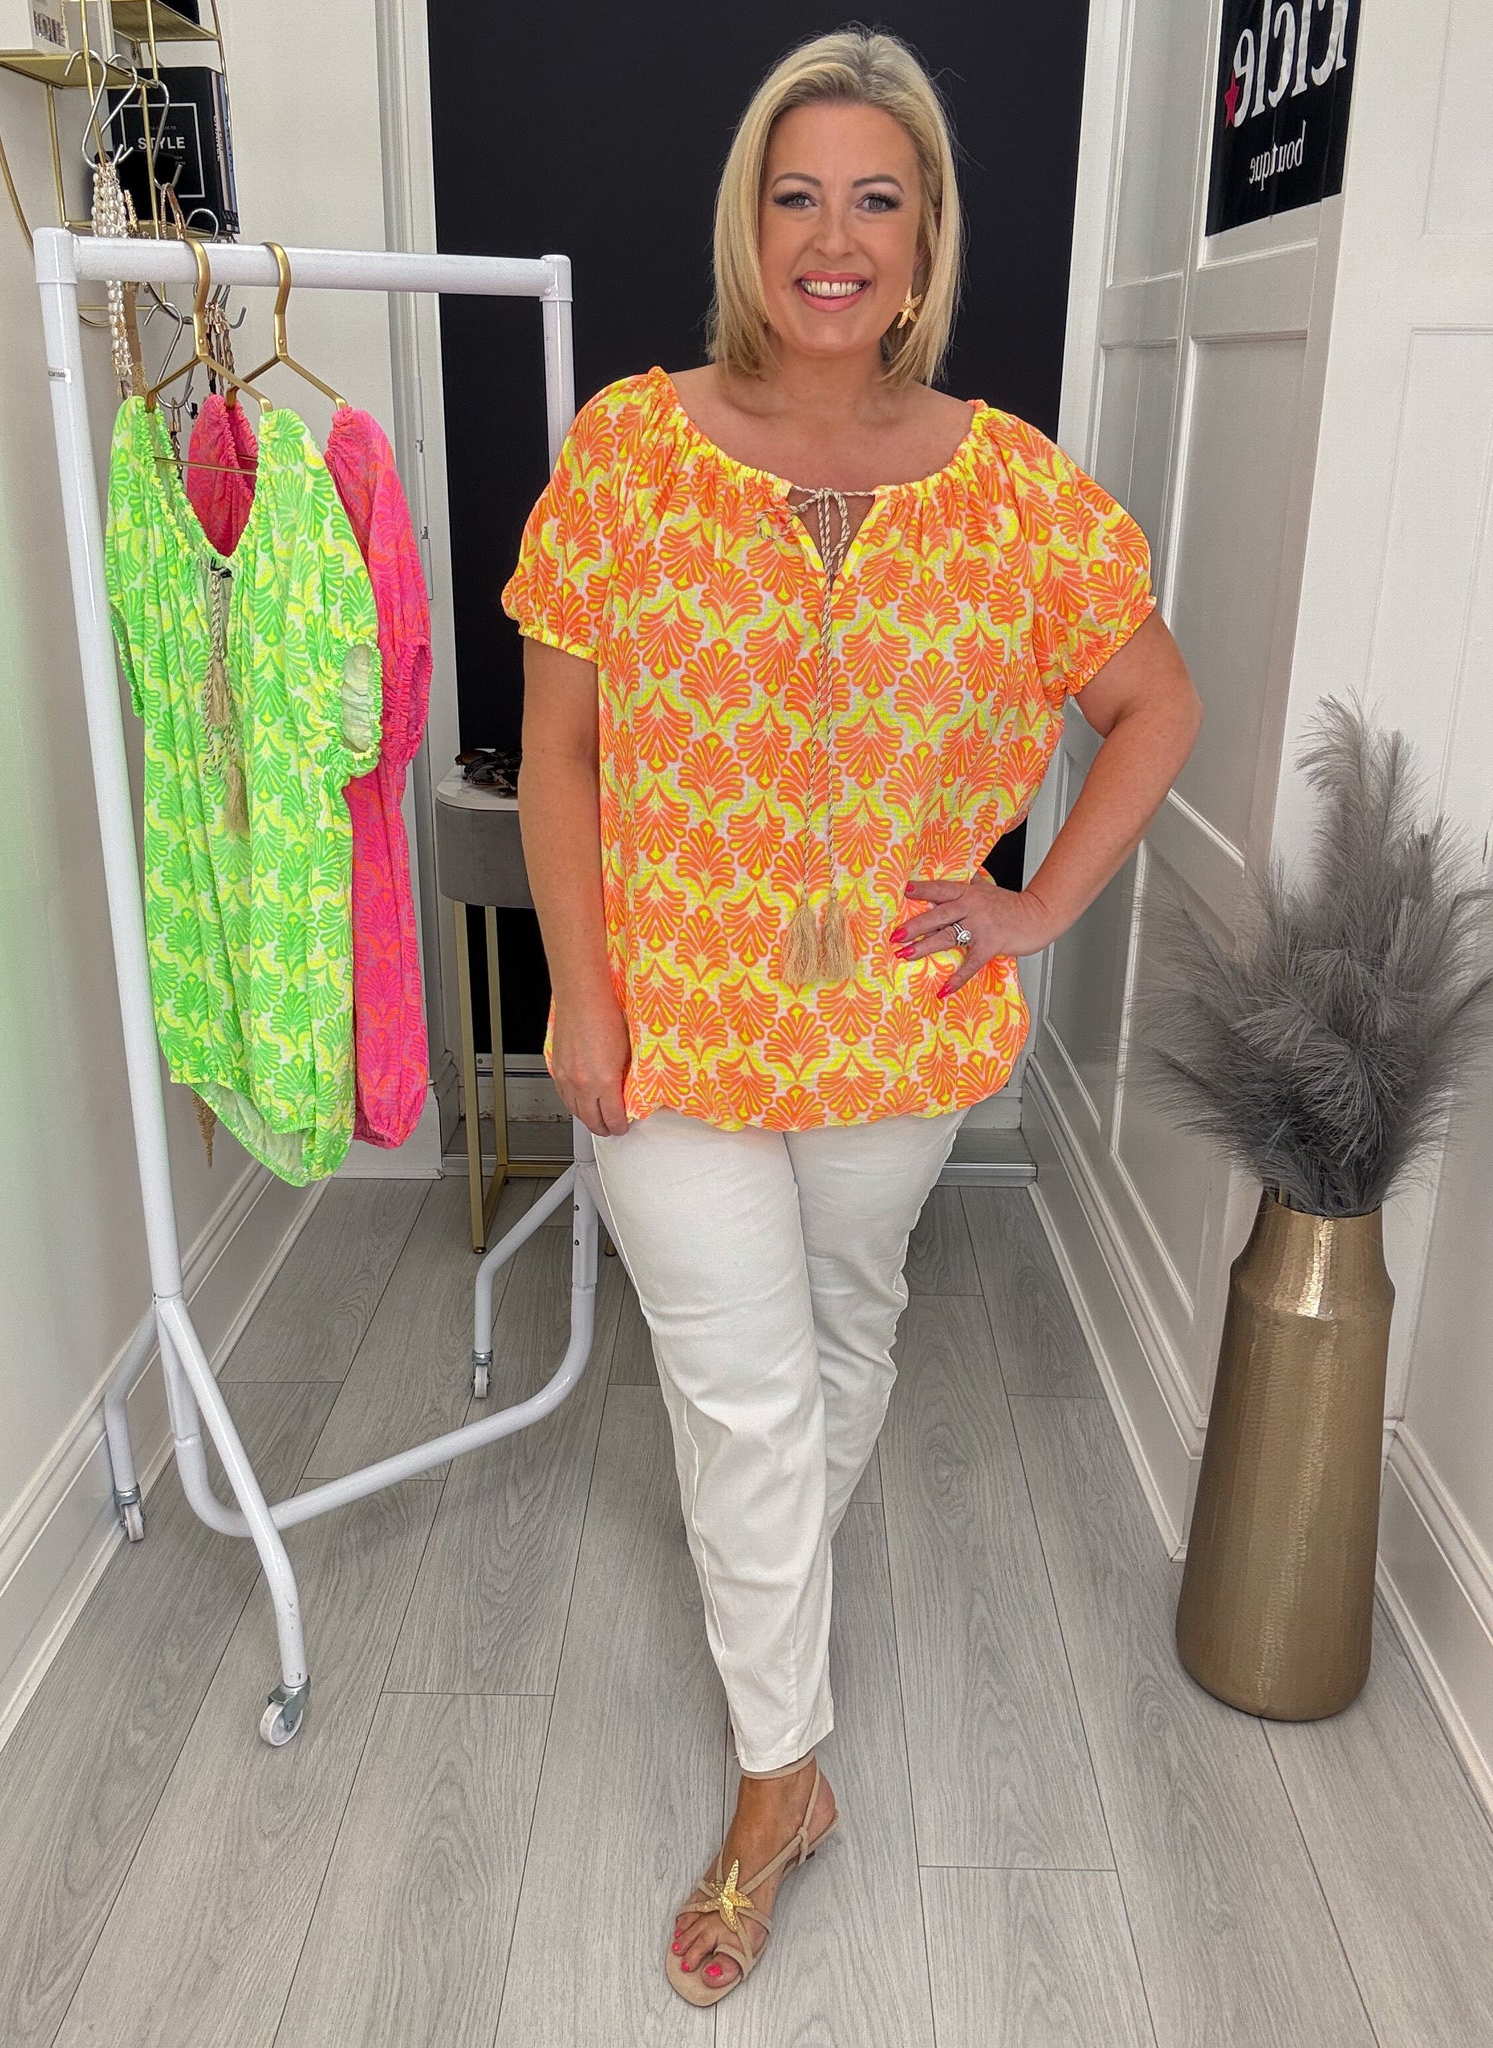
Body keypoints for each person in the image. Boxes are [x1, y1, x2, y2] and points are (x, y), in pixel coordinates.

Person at [501, 26, 1202, 2010]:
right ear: (751, 221)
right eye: (797, 194)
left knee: (843, 1336)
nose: (833, 236)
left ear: (924, 238)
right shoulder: (630, 450)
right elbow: (559, 755)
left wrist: (1038, 902)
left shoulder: (1013, 490)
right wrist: (578, 985)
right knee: (740, 1393)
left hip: (898, 1038)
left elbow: (1157, 702)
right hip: (671, 1032)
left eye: (875, 200)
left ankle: (771, 1646)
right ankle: (774, 1788)